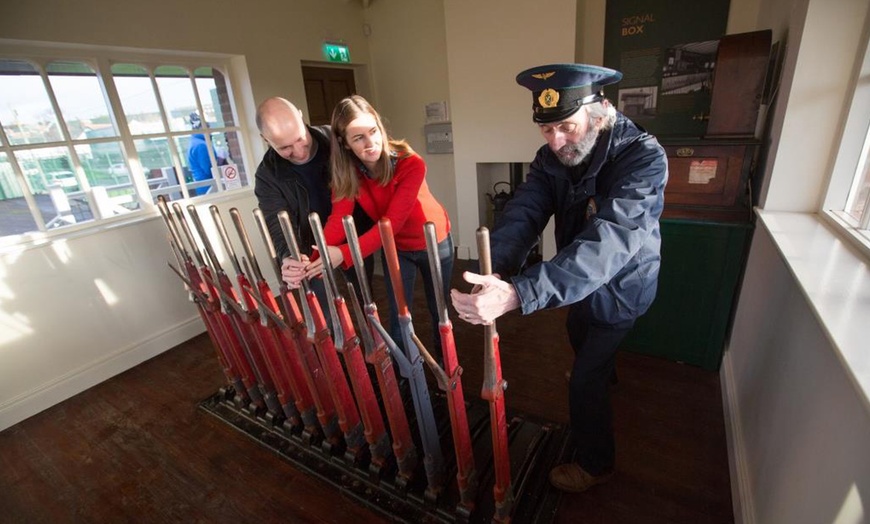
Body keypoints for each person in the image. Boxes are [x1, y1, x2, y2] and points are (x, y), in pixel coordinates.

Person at [450, 64, 668, 493]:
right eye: (546, 130)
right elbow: (525, 211)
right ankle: (604, 373)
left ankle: (595, 463)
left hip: (621, 287)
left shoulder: (643, 157)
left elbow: (609, 243)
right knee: (577, 332)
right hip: (574, 280)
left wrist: (520, 294)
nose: (556, 141)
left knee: (585, 378)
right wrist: (498, 267)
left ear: (599, 110)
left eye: (566, 127)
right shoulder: (553, 157)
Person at [286, 95, 453, 361]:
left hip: (434, 242)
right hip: (396, 247)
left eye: (373, 131)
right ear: (345, 144)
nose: (370, 143)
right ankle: (405, 376)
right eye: (358, 138)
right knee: (399, 315)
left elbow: (392, 222)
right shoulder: (347, 172)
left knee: (439, 312)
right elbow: (339, 218)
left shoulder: (411, 163)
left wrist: (344, 253)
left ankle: (446, 370)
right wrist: (313, 261)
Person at [253, 97, 373, 321]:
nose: (299, 152)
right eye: (285, 148)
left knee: (366, 303)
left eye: (300, 139)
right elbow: (275, 222)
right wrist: (289, 256)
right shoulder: (267, 176)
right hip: (310, 253)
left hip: (351, 238)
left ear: (301, 116)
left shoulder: (336, 139)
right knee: (324, 318)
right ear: (265, 140)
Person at [187, 112, 213, 195]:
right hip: (209, 186)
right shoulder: (201, 145)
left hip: (202, 186)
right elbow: (209, 169)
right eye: (207, 127)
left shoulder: (194, 143)